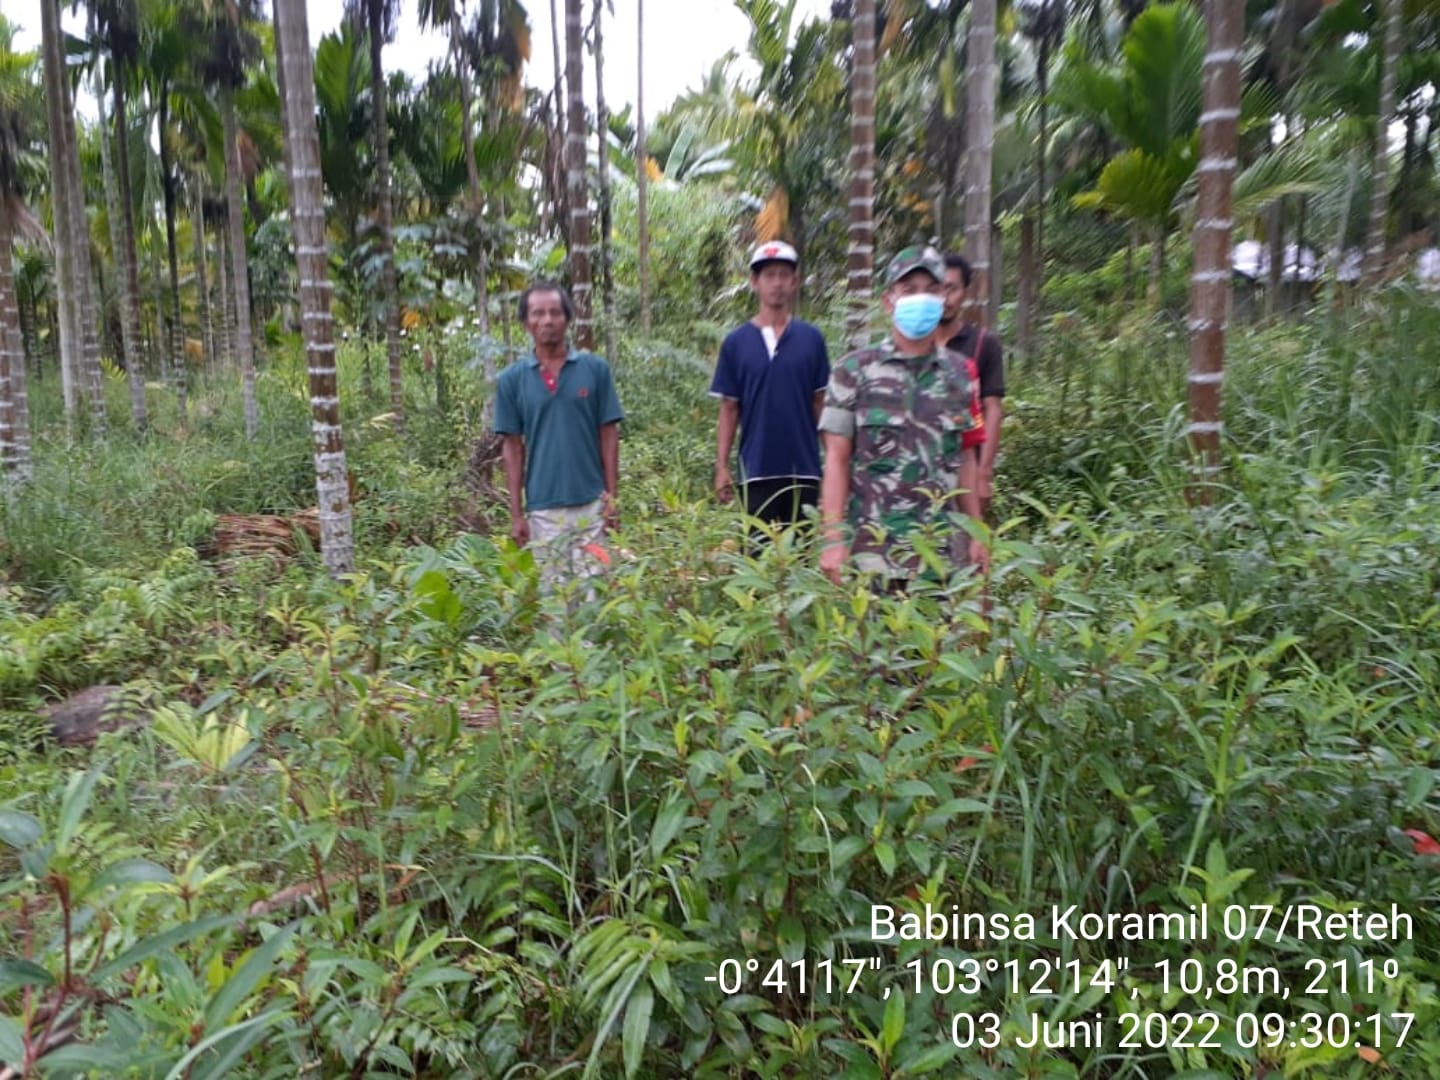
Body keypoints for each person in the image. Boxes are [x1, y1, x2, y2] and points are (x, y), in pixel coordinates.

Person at [818, 246, 988, 585]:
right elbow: (836, 460)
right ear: (888, 301)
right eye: (909, 290)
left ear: (944, 298)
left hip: (940, 559)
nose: (921, 298)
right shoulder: (853, 371)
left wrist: (978, 532)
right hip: (870, 556)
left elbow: (965, 458)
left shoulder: (959, 375)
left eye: (932, 289)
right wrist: (832, 538)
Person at [494, 281, 624, 594]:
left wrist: (611, 498)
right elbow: (512, 447)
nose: (548, 320)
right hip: (543, 511)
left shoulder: (595, 370)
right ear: (526, 323)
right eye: (538, 313)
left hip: (592, 508)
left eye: (555, 312)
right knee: (555, 598)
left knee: (596, 590)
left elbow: (609, 433)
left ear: (568, 319)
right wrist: (516, 513)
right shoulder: (512, 380)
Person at [711, 240, 831, 529]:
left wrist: (833, 462)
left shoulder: (811, 339)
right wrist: (722, 467)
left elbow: (820, 404)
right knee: (755, 557)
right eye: (769, 275)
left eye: (783, 275)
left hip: (803, 471)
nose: (776, 283)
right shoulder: (736, 343)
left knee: (800, 561)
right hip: (755, 471)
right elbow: (729, 409)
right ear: (755, 282)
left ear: (794, 282)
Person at [937, 253, 1006, 515]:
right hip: (921, 472)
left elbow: (993, 409)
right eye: (937, 289)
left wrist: (984, 473)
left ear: (965, 292)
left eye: (951, 289)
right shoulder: (916, 343)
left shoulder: (983, 344)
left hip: (965, 467)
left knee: (967, 545)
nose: (944, 299)